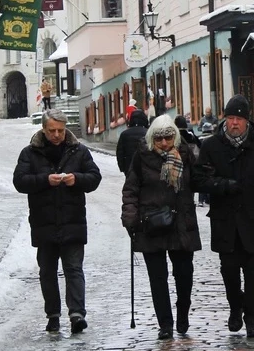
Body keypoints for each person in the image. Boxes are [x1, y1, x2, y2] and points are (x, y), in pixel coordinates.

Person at [192, 94, 254, 339]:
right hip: (225, 221)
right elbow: (198, 179)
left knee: (253, 272)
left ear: (247, 121)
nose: (234, 123)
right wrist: (223, 185)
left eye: (239, 119)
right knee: (229, 271)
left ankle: (253, 319)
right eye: (230, 118)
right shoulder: (212, 146)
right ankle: (236, 307)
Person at [13, 109, 102, 334]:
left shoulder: (79, 151)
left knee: (74, 269)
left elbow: (94, 177)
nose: (56, 135)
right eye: (51, 130)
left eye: (60, 131)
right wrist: (45, 180)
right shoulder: (30, 153)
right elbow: (20, 181)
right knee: (47, 272)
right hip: (44, 222)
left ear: (66, 129)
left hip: (73, 221)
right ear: (43, 129)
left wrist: (77, 179)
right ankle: (53, 314)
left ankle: (77, 314)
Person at [121, 115, 201, 340]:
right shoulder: (141, 157)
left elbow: (200, 180)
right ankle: (165, 324)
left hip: (182, 223)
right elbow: (130, 189)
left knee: (184, 275)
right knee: (158, 278)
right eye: (159, 139)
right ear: (151, 139)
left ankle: (183, 313)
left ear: (175, 137)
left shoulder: (187, 154)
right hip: (152, 224)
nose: (164, 143)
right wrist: (130, 217)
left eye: (168, 137)